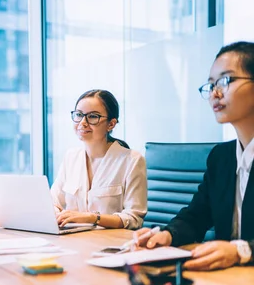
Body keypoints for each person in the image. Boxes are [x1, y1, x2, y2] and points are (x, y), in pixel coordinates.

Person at [135, 41, 254, 270]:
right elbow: (196, 216)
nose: (215, 93)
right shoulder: (222, 157)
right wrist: (167, 235)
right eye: (210, 85)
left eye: (225, 80)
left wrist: (242, 250)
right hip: (229, 283)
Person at [50, 89, 147, 230]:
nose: (82, 122)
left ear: (111, 124)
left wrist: (92, 218)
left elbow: (133, 218)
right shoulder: (71, 157)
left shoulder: (132, 160)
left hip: (110, 243)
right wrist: (55, 214)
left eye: (93, 117)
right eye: (79, 115)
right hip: (74, 239)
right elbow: (53, 202)